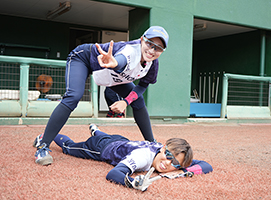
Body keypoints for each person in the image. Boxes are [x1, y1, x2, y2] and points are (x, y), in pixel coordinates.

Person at [34, 26, 169, 166]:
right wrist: (115, 63)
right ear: (142, 40)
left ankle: (152, 144)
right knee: (73, 97)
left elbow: (143, 85)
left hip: (111, 74)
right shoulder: (130, 50)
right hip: (84, 58)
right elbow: (121, 60)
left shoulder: (152, 63)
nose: (152, 50)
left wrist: (126, 102)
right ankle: (43, 146)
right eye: (149, 44)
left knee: (138, 101)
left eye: (158, 48)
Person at [33, 124, 213, 192]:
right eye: (168, 156)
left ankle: (97, 130)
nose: (167, 163)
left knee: (111, 137)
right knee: (67, 148)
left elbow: (206, 165)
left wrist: (182, 172)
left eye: (175, 163)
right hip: (100, 147)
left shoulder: (172, 159)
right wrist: (132, 183)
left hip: (121, 141)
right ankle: (45, 136)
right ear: (163, 148)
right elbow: (114, 173)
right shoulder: (143, 157)